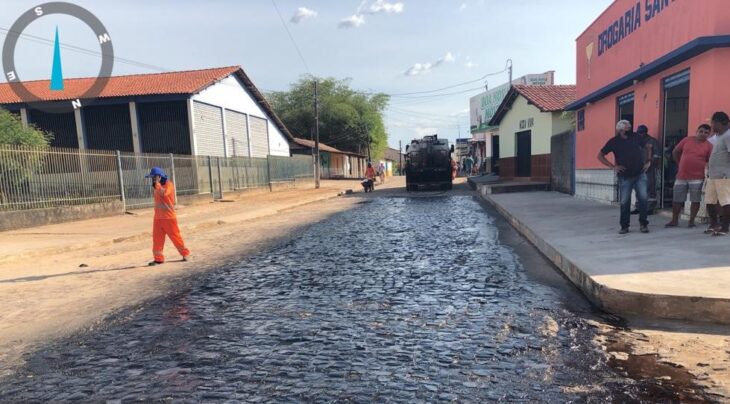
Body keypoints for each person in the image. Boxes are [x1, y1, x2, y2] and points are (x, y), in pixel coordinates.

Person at [598, 120, 652, 234]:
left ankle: (643, 224)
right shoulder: (613, 142)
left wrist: (648, 161)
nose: (630, 129)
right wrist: (613, 167)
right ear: (621, 130)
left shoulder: (636, 137)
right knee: (624, 202)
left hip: (640, 174)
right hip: (625, 176)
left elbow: (648, 146)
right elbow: (600, 155)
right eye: (627, 128)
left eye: (630, 127)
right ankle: (624, 226)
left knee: (643, 199)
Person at [665, 124, 713, 228]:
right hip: (681, 176)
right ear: (697, 131)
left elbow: (710, 161)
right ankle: (674, 221)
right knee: (677, 199)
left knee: (695, 200)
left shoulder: (709, 146)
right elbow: (675, 152)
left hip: (698, 177)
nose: (703, 134)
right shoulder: (687, 140)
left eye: (706, 132)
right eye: (701, 131)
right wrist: (679, 164)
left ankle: (691, 221)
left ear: (709, 135)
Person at [146, 167, 190, 266]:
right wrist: (156, 185)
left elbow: (165, 193)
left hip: (169, 217)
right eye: (152, 178)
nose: (152, 179)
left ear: (159, 177)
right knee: (157, 239)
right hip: (158, 218)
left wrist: (157, 184)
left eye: (154, 177)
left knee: (175, 237)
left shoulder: (169, 185)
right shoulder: (156, 186)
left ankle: (185, 253)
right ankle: (158, 259)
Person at [705, 112, 730, 236]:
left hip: (724, 176)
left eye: (713, 123)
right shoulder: (718, 136)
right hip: (713, 175)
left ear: (720, 123)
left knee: (726, 202)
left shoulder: (728, 136)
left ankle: (725, 227)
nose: (712, 126)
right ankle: (714, 224)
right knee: (709, 201)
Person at [635, 125, 661, 211]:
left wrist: (650, 162)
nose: (641, 135)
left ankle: (650, 208)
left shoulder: (653, 141)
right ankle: (638, 207)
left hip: (650, 168)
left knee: (650, 187)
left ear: (646, 133)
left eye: (642, 133)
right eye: (639, 133)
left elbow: (657, 154)